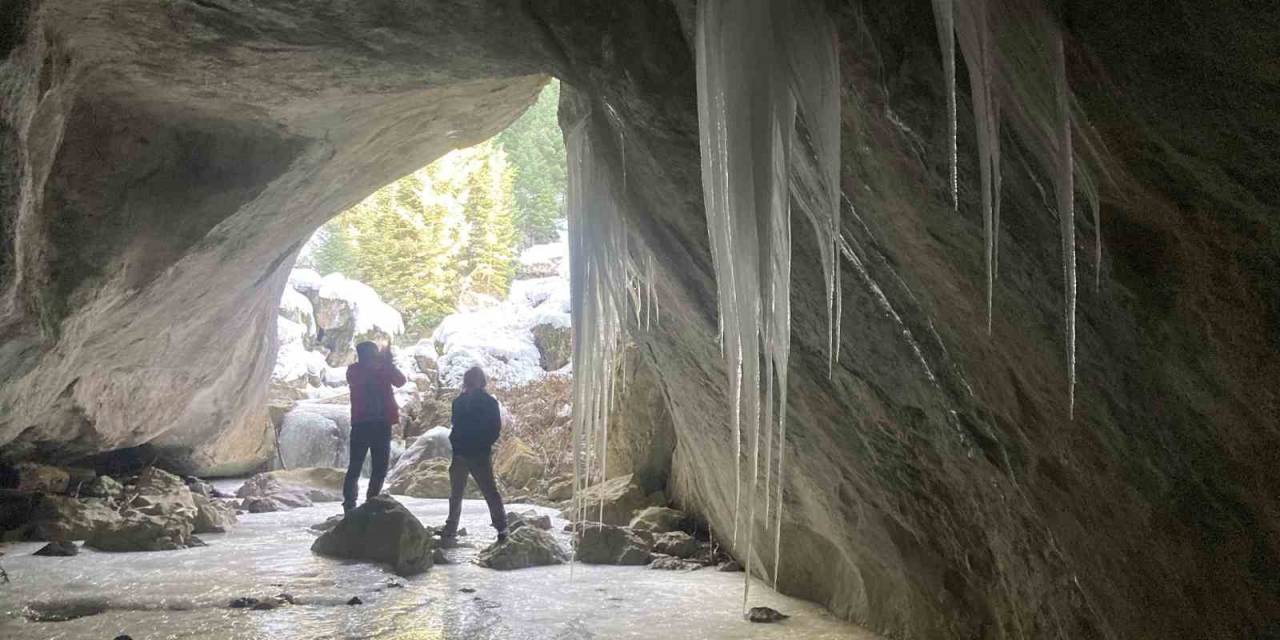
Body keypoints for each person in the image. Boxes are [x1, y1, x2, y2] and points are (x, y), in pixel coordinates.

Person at [441, 366, 508, 542]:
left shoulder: (459, 402)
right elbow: (495, 429)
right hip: (478, 453)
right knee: (489, 492)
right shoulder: (488, 402)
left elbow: (455, 425)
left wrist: (457, 444)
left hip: (462, 452)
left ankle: (451, 528)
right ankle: (502, 527)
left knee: (457, 493)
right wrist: (483, 444)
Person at [342, 341, 406, 515]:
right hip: (372, 423)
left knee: (373, 466)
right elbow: (396, 380)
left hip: (370, 423)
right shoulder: (356, 370)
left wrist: (387, 365)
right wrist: (385, 364)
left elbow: (401, 381)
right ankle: (356, 503)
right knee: (361, 465)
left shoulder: (367, 370)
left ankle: (365, 501)